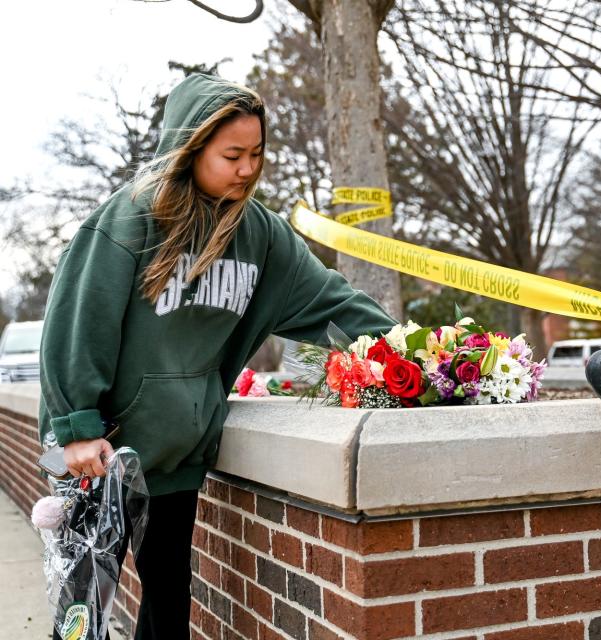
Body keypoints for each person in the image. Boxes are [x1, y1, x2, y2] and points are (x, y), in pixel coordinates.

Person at [38, 74, 398, 639]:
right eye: (232, 154)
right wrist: (76, 425)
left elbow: (333, 302)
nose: (248, 169)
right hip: (102, 452)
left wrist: (414, 352)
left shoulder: (262, 235)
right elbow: (80, 319)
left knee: (167, 603)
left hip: (179, 449)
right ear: (190, 148)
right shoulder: (131, 218)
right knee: (83, 611)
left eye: (256, 154)